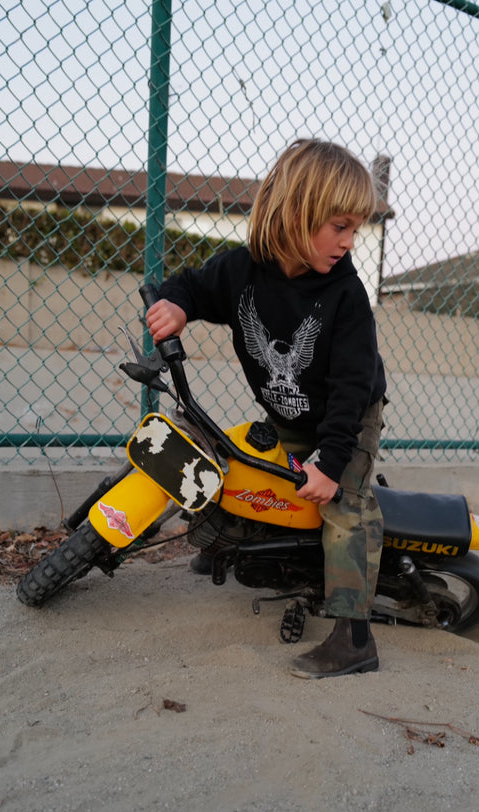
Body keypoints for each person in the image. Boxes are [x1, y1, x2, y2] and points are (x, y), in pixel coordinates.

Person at [146, 138, 387, 679]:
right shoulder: (243, 270)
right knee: (241, 461)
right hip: (289, 414)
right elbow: (193, 286)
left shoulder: (346, 295)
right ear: (297, 211)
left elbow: (352, 388)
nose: (349, 242)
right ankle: (226, 544)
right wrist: (177, 306)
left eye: (355, 229)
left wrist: (331, 463)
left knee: (345, 509)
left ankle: (354, 639)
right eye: (340, 226)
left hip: (346, 419)